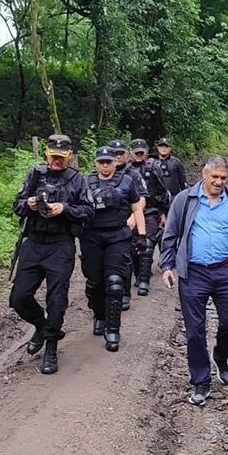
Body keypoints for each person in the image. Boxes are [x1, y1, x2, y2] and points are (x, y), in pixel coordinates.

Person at [160, 155, 228, 407]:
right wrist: (167, 266)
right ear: (204, 174)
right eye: (215, 177)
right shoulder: (184, 200)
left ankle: (221, 356)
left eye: (223, 178)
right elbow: (170, 235)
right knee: (195, 331)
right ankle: (201, 380)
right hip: (194, 273)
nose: (219, 182)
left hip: (226, 272)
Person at [10, 134, 94, 375]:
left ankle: (51, 348)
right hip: (33, 243)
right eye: (53, 156)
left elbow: (89, 212)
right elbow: (17, 205)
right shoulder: (35, 175)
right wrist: (30, 205)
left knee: (56, 301)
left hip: (60, 245)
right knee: (19, 297)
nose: (56, 161)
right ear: (46, 154)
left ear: (69, 156)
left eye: (61, 157)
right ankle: (41, 325)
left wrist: (65, 208)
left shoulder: (77, 180)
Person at [81, 146, 148, 351]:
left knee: (115, 282)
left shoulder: (126, 181)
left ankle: (113, 329)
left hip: (118, 236)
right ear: (96, 163)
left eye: (108, 161)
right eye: (101, 161)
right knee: (95, 281)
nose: (105, 165)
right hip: (91, 237)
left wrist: (142, 236)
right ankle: (99, 314)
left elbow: (137, 208)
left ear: (115, 162)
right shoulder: (85, 182)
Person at [129, 138, 170, 296]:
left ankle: (144, 281)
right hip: (130, 212)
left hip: (151, 211)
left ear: (146, 151)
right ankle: (138, 275)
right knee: (132, 246)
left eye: (142, 151)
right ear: (130, 152)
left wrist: (163, 213)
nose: (139, 154)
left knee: (147, 243)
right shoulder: (125, 169)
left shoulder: (153, 167)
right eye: (136, 151)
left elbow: (162, 191)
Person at [110, 139, 148, 311]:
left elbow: (142, 198)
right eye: (114, 153)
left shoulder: (133, 174)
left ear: (126, 154)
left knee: (127, 257)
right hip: (107, 224)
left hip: (127, 221)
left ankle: (125, 291)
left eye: (120, 153)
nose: (118, 157)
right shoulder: (100, 174)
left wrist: (134, 215)